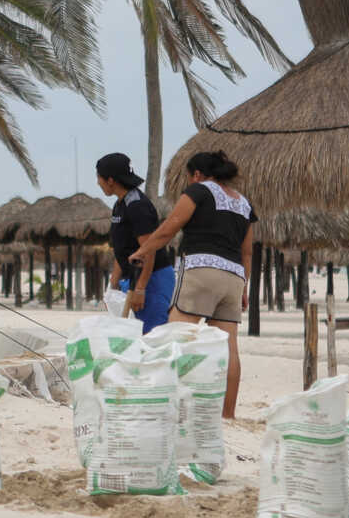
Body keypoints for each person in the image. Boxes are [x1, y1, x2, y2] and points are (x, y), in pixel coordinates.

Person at [129, 151, 256, 418]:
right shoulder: (243, 203)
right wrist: (244, 287)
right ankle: (228, 415)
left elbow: (170, 226)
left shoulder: (198, 190)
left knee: (175, 337)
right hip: (233, 277)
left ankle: (165, 405)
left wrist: (143, 251)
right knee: (228, 348)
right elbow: (247, 252)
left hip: (201, 269)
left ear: (196, 174)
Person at [97, 152, 175, 333]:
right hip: (132, 278)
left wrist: (140, 289)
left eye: (99, 178)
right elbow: (121, 248)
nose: (98, 183)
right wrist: (113, 286)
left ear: (110, 180)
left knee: (151, 337)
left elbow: (149, 250)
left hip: (152, 278)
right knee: (131, 336)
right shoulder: (120, 205)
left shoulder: (137, 206)